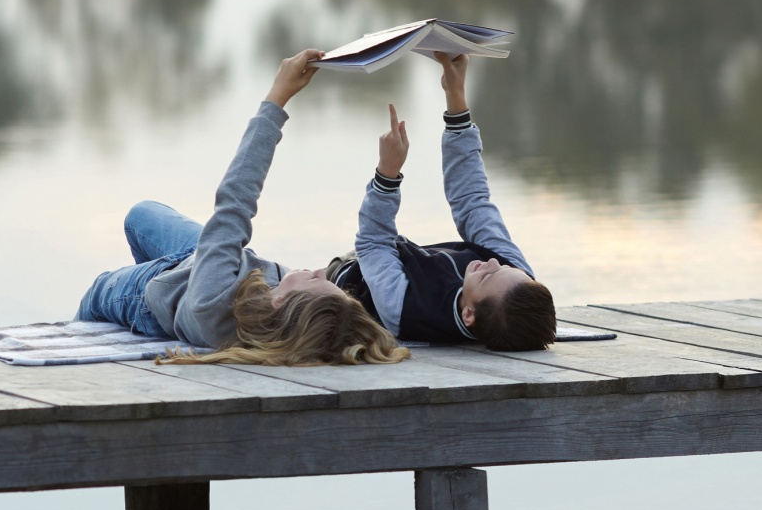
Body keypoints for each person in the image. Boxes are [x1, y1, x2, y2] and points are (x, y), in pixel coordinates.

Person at [75, 49, 410, 366]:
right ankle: (183, 295)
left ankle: (169, 304)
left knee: (109, 278)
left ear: (281, 302)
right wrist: (388, 175)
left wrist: (277, 99)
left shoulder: (213, 304)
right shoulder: (298, 317)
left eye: (315, 279)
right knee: (141, 213)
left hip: (141, 296)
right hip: (210, 267)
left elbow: (235, 200)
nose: (321, 272)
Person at [330, 52, 557, 352]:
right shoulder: (515, 278)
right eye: (502, 266)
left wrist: (388, 172)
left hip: (346, 277)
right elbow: (472, 201)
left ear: (468, 314)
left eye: (490, 274)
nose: (492, 261)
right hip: (405, 256)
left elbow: (373, 242)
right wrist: (456, 98)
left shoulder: (407, 309)